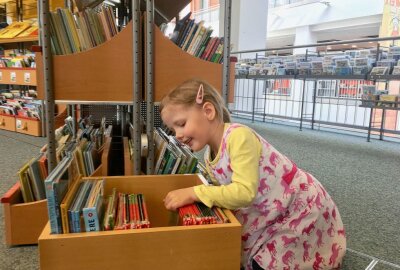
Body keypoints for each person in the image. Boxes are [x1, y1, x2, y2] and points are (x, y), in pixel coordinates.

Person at [160, 79, 346, 270]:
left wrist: (195, 193)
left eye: (181, 124)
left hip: (296, 208)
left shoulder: (238, 136)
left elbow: (244, 192)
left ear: (208, 111)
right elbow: (228, 192)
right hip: (271, 211)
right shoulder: (209, 154)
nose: (177, 135)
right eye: (173, 130)